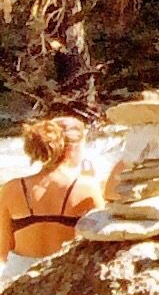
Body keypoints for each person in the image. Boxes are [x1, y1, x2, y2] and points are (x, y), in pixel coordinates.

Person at [1, 115, 102, 273]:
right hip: (61, 276)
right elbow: (99, 245)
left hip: (17, 277)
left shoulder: (11, 189)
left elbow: (2, 250)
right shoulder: (86, 188)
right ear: (73, 149)